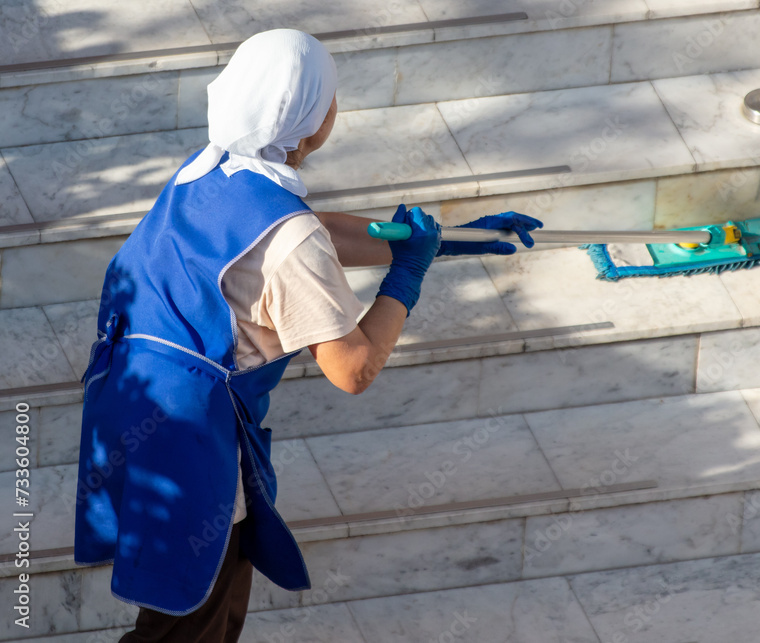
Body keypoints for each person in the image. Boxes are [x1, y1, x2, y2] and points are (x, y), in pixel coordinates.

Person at [73, 29, 541, 642]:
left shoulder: (209, 171)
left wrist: (453, 237)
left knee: (192, 604)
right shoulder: (287, 236)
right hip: (190, 440)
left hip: (134, 404)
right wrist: (408, 275)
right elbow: (352, 368)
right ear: (311, 117)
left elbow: (312, 234)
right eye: (330, 95)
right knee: (191, 624)